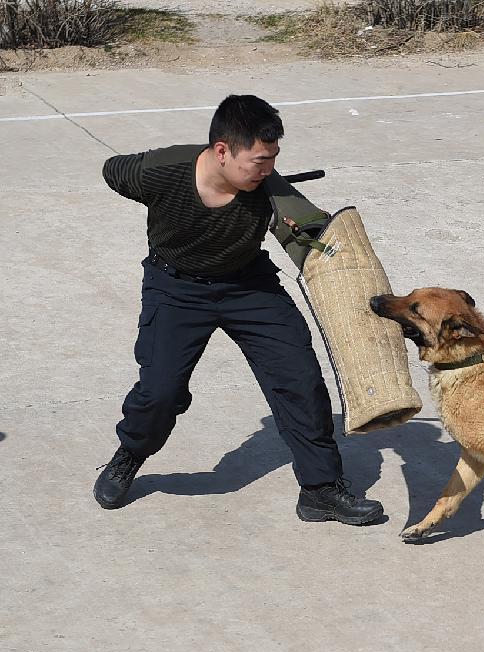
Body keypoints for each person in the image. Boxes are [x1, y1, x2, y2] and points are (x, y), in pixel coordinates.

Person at [93, 94, 383, 525]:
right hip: (175, 288)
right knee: (160, 392)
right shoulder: (161, 171)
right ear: (222, 151)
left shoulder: (272, 192)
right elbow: (111, 169)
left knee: (299, 378)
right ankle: (130, 453)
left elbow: (322, 242)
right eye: (260, 161)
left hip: (250, 287)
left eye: (274, 160)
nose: (268, 170)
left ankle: (321, 489)